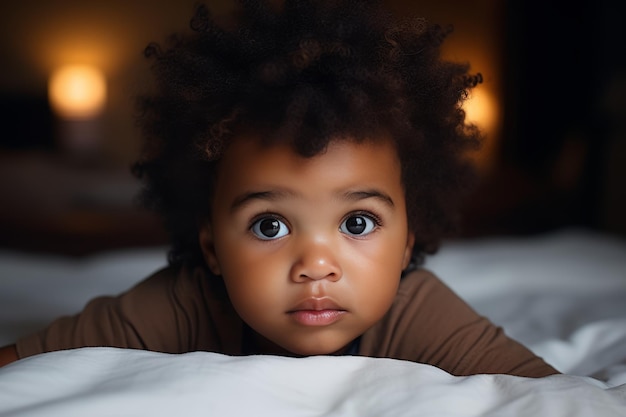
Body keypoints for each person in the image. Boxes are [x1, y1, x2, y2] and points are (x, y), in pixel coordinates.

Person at [0, 0, 558, 376]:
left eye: (357, 222)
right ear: (213, 247)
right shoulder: (177, 303)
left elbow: (548, 394)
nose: (316, 265)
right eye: (270, 225)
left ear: (408, 242)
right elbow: (21, 364)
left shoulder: (421, 314)